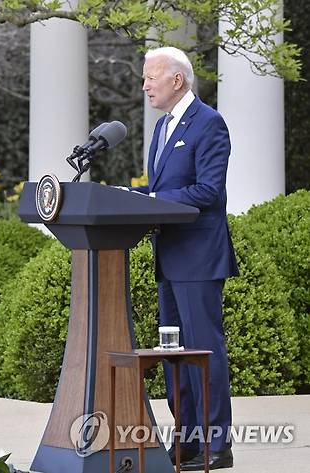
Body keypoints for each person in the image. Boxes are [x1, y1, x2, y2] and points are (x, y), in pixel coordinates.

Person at [130, 47, 239, 470]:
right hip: (169, 257)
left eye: (150, 77)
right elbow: (163, 189)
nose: (144, 85)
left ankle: (217, 445)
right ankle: (187, 442)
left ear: (177, 80)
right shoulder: (160, 127)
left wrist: (152, 199)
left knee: (202, 351)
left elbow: (207, 191)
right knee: (175, 355)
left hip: (198, 257)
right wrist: (128, 198)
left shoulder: (209, 124)